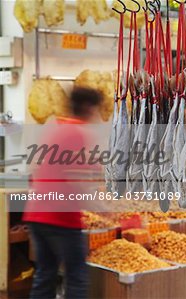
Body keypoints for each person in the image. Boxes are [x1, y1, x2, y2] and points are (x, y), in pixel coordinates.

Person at [23, 87, 102, 299]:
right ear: (88, 107)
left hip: (36, 214)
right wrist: (103, 210)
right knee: (77, 276)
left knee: (45, 274)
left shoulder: (56, 128)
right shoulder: (77, 132)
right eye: (96, 109)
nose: (97, 115)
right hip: (61, 218)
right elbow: (77, 180)